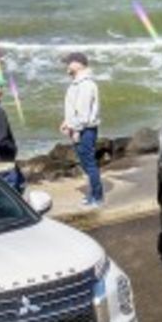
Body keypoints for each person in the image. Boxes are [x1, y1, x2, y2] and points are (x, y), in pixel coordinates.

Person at [60, 51, 103, 208]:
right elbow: (75, 110)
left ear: (78, 64)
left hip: (85, 131)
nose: (66, 66)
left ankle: (97, 198)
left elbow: (83, 115)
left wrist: (74, 129)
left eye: (68, 62)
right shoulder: (79, 83)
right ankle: (93, 195)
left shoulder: (85, 85)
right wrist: (66, 122)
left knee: (89, 165)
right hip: (82, 129)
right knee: (86, 164)